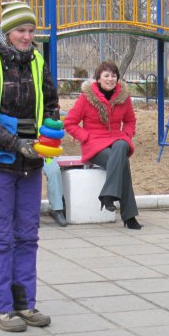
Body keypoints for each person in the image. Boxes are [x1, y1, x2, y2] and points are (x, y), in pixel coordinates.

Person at [0, 0, 59, 332]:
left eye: (31, 30)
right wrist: (16, 143)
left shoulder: (37, 60)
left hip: (30, 164)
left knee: (27, 236)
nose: (27, 36)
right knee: (1, 238)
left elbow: (51, 102)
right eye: (21, 30)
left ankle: (25, 303)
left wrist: (51, 132)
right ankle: (2, 308)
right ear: (7, 30)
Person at [63, 60, 141, 229]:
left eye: (114, 76)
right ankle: (129, 217)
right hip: (95, 144)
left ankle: (108, 195)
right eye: (106, 75)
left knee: (121, 145)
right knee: (122, 162)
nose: (110, 79)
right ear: (98, 79)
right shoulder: (86, 98)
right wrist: (86, 137)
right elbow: (70, 123)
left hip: (117, 139)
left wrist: (126, 134)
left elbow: (130, 121)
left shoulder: (123, 97)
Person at [43, 158, 67, 226]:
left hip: (45, 157)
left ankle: (57, 209)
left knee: (54, 170)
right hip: (24, 158)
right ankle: (30, 215)